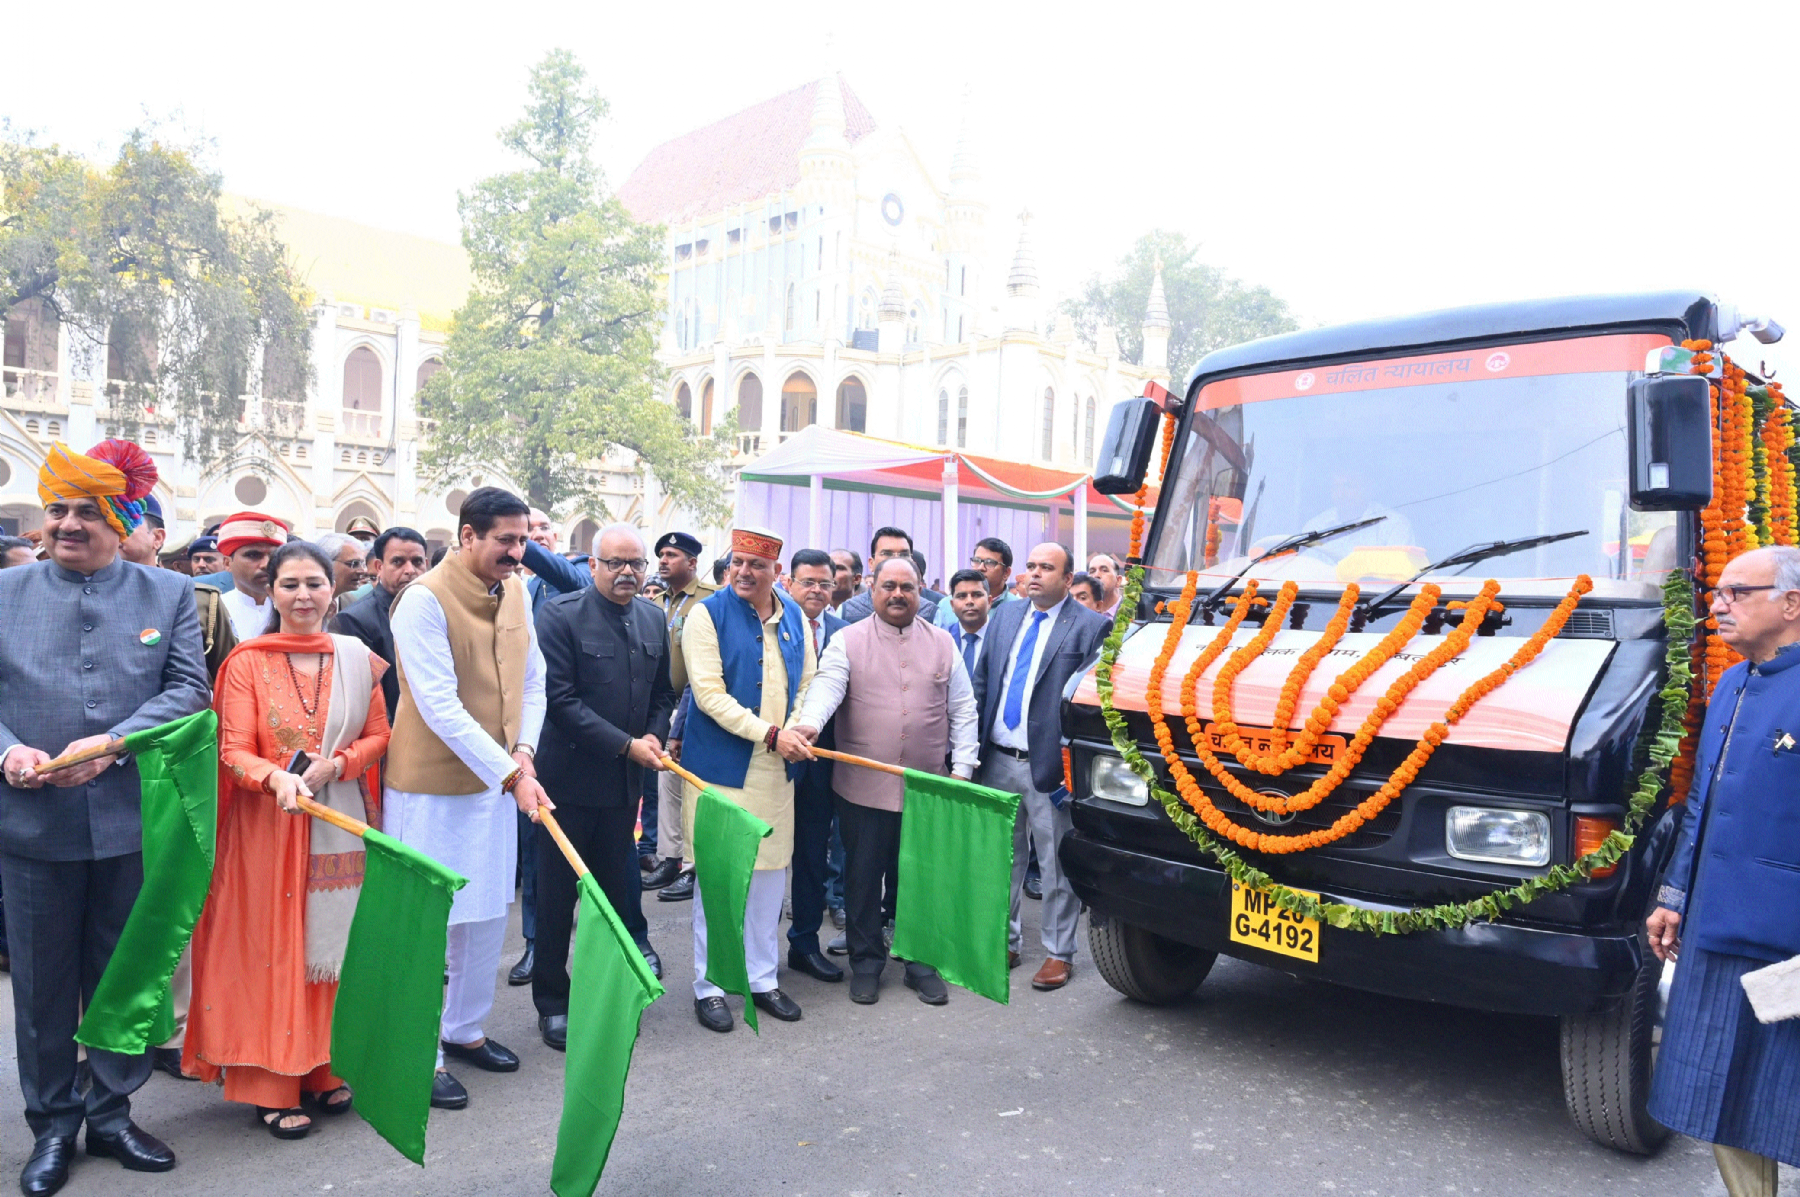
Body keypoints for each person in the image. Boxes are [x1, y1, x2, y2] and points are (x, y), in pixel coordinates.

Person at [0, 440, 209, 1193]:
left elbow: (189, 689)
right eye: (58, 509)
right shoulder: (5, 592)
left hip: (130, 820)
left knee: (125, 974)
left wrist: (115, 743)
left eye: (88, 512)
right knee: (42, 988)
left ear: (121, 523)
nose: (68, 524)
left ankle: (112, 1113)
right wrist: (9, 751)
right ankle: (53, 1125)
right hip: (31, 825)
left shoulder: (167, 592)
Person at [185, 541, 389, 1140]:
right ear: (270, 592)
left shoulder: (357, 659)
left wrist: (339, 764)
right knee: (271, 949)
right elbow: (232, 749)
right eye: (290, 585)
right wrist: (276, 777)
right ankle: (271, 1083)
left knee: (329, 946)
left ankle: (324, 1067)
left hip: (335, 821)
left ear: (333, 589)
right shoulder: (247, 662)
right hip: (265, 828)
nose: (303, 596)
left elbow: (381, 733)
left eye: (314, 584)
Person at [384, 487, 550, 1111]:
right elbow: (439, 706)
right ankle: (418, 1049)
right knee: (429, 923)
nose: (517, 551)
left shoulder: (517, 591)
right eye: (505, 540)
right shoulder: (421, 600)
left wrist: (524, 752)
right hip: (431, 790)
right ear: (468, 536)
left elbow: (533, 682)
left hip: (499, 780)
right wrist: (512, 773)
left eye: (522, 539)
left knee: (485, 915)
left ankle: (465, 1029)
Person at [1647, 545, 1800, 1195]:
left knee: (1786, 1094)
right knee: (1720, 1092)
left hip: (1786, 941)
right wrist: (1674, 894)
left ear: (1791, 603)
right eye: (1717, 592)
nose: (1719, 605)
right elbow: (1702, 807)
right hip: (1715, 928)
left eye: (1738, 592)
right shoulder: (1732, 684)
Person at [793, 556, 977, 1006]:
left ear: (921, 592)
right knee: (860, 877)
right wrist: (808, 725)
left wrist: (961, 772)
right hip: (862, 786)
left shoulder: (943, 643)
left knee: (919, 879)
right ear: (871, 590)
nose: (898, 594)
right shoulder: (847, 640)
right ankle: (866, 962)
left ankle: (919, 962)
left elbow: (963, 709)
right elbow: (826, 688)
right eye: (889, 586)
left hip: (927, 786)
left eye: (907, 587)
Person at [532, 524, 676, 1048]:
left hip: (623, 788)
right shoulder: (560, 615)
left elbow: (663, 694)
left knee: (617, 894)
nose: (627, 573)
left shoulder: (652, 617)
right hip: (566, 785)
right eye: (615, 563)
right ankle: (553, 1002)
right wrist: (626, 744)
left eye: (636, 563)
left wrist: (654, 734)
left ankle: (613, 990)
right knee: (556, 900)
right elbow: (559, 700)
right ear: (593, 565)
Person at [680, 527, 815, 1032]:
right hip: (721, 770)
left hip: (776, 770)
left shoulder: (794, 614)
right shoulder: (706, 615)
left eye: (756, 565)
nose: (743, 572)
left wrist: (797, 728)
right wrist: (772, 734)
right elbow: (708, 695)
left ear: (776, 572)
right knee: (720, 881)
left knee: (769, 878)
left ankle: (761, 979)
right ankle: (711, 985)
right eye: (737, 562)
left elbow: (807, 681)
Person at [972, 543, 1109, 992]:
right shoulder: (1005, 615)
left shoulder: (1091, 627)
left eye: (1046, 568)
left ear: (1068, 580)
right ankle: (1006, 941)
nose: (1034, 574)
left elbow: (1091, 705)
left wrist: (1074, 772)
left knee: (1054, 865)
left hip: (1050, 768)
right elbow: (983, 680)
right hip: (997, 758)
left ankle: (1058, 952)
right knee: (1001, 860)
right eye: (1030, 566)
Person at [782, 548, 846, 983]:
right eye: (808, 582)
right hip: (771, 756)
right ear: (790, 583)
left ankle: (804, 944)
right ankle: (753, 950)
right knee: (765, 859)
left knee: (810, 856)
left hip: (822, 763)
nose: (817, 590)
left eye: (825, 583)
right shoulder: (771, 624)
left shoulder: (845, 633)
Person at [644, 531, 717, 900]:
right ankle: (670, 859)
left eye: (672, 554)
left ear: (692, 562)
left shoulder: (710, 600)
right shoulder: (654, 603)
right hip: (661, 707)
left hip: (697, 707)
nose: (663, 560)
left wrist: (683, 723)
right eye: (660, 554)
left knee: (693, 788)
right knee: (667, 786)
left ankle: (693, 866)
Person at [332, 526, 428, 725]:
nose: (410, 570)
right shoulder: (355, 619)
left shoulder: (437, 610)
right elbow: (366, 699)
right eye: (398, 562)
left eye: (417, 562)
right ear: (379, 566)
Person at [216, 511, 292, 642]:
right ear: (227, 563)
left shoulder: (292, 609)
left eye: (274, 556)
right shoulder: (214, 611)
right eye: (253, 555)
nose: (266, 564)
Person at [838, 528, 939, 624]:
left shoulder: (930, 613)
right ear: (871, 563)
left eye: (904, 555)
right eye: (887, 554)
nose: (896, 560)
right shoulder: (847, 612)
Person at [934, 538, 1012, 630]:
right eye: (977, 561)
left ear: (1006, 572)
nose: (981, 568)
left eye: (990, 563)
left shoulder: (1017, 607)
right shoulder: (946, 605)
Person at [944, 568, 994, 679]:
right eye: (961, 596)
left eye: (977, 595)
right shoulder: (943, 640)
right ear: (952, 605)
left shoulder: (1002, 638)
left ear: (989, 602)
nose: (969, 601)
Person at [313, 532, 368, 621]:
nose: (363, 571)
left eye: (363, 564)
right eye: (354, 564)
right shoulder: (306, 601)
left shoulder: (352, 602)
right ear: (326, 563)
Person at [828, 548, 863, 615]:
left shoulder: (866, 613)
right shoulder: (812, 612)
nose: (830, 573)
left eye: (839, 568)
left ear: (856, 579)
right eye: (828, 568)